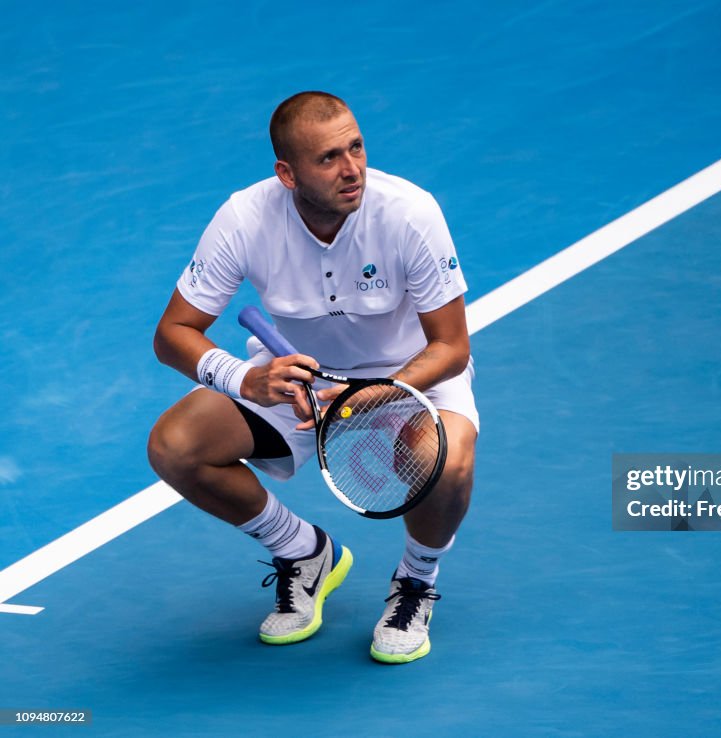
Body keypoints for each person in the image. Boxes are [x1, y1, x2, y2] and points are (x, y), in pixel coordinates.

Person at [147, 91, 478, 664]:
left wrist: (381, 394)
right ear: (287, 173)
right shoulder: (244, 219)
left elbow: (451, 344)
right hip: (300, 380)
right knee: (176, 447)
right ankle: (303, 553)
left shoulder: (409, 213)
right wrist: (247, 381)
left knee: (447, 460)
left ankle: (416, 582)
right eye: (329, 158)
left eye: (356, 148)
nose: (353, 170)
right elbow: (172, 333)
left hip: (412, 378)